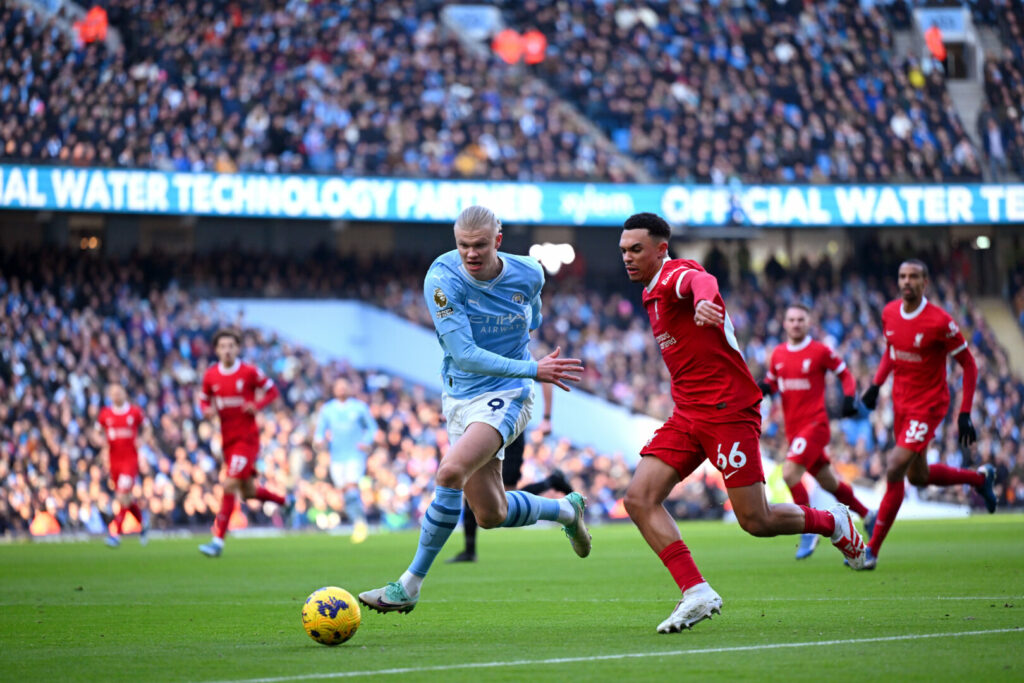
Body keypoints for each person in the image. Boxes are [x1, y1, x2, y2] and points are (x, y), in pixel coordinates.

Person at [617, 213, 866, 634]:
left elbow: (702, 281)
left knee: (756, 521)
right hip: (688, 414)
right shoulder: (649, 293)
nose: (627, 257)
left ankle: (833, 521)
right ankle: (695, 591)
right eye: (623, 250)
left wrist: (703, 302)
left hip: (728, 412)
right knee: (638, 499)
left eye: (635, 249)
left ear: (661, 249)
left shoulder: (676, 274)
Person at [358, 205, 589, 614]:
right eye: (463, 245)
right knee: (490, 513)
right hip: (461, 395)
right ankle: (565, 510)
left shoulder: (529, 271)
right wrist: (534, 367)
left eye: (480, 245)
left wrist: (528, 371)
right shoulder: (442, 280)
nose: (471, 254)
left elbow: (533, 312)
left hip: (509, 391)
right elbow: (464, 355)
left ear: (497, 241)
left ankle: (409, 584)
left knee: (449, 471)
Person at [859, 260, 996, 569]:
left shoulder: (940, 322)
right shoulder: (890, 313)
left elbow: (969, 365)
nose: (907, 281)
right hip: (901, 405)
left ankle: (872, 550)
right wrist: (875, 385)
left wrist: (965, 413)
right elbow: (891, 351)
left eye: (914, 277)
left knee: (894, 468)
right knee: (917, 477)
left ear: (925, 282)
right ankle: (979, 478)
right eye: (903, 276)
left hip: (929, 406)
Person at [759, 304, 875, 560]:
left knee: (789, 474)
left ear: (808, 322)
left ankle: (808, 528)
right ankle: (868, 515)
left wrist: (848, 398)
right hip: (795, 431)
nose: (796, 323)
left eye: (801, 319)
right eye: (791, 319)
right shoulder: (777, 354)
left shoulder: (820, 351)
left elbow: (845, 375)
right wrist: (760, 389)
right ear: (785, 324)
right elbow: (771, 383)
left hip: (815, 426)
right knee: (829, 482)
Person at [447, 381, 573, 563]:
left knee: (505, 498)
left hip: (508, 428)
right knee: (472, 489)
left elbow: (545, 376)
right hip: (481, 426)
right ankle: (469, 550)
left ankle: (552, 483)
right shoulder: (479, 357)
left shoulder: (513, 354)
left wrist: (546, 418)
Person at [197, 328, 287, 557]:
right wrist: (206, 411)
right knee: (247, 491)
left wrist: (256, 406)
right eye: (223, 346)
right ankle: (286, 500)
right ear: (217, 349)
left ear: (237, 348)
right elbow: (204, 401)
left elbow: (272, 391)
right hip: (227, 439)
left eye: (231, 346)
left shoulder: (249, 372)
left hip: (247, 439)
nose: (227, 350)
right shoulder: (211, 375)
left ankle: (217, 540)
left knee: (228, 485)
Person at [315, 378, 377, 544]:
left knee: (351, 487)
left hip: (355, 455)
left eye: (344, 386)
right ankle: (357, 520)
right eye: (338, 386)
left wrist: (366, 442)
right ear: (334, 389)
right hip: (336, 456)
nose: (342, 389)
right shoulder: (328, 409)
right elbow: (320, 430)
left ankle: (360, 524)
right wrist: (319, 440)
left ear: (349, 388)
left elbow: (372, 427)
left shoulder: (359, 407)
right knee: (344, 492)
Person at [96, 384, 150, 547]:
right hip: (114, 461)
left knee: (121, 495)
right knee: (125, 498)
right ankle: (143, 523)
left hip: (129, 461)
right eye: (113, 394)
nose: (116, 396)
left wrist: (143, 440)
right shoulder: (105, 414)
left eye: (119, 393)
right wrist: (101, 442)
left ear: (124, 394)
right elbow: (96, 432)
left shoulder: (134, 412)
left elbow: (148, 429)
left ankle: (116, 534)